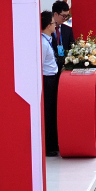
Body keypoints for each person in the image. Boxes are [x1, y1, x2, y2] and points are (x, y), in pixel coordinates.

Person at [41, 10, 61, 155]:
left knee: (53, 111)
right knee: (48, 112)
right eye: (53, 23)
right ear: (48, 25)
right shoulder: (42, 43)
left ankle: (53, 143)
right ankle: (49, 145)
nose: (55, 26)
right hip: (47, 80)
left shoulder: (48, 40)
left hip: (52, 79)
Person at [51, 0, 74, 71]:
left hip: (64, 67)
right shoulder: (46, 29)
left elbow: (72, 47)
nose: (65, 19)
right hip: (51, 67)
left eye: (67, 16)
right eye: (63, 16)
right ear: (55, 14)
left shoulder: (68, 30)